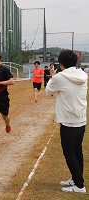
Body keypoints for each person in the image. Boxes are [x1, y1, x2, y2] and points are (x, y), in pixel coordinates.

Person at [46, 50, 87, 193]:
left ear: (61, 64)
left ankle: (80, 185)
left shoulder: (60, 77)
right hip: (81, 119)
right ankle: (76, 179)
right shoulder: (83, 74)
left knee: (69, 152)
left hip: (69, 122)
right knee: (77, 151)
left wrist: (52, 76)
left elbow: (48, 92)